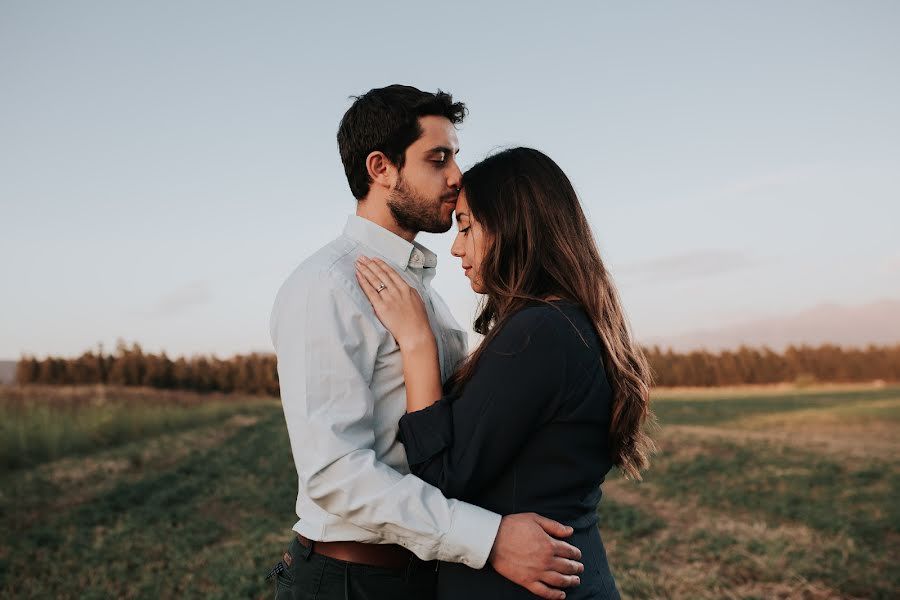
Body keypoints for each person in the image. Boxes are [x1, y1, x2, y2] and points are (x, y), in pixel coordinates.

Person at [268, 87, 584, 600]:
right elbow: (334, 472)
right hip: (353, 582)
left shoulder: (423, 293)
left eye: (455, 155)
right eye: (438, 159)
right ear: (381, 168)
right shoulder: (326, 286)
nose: (457, 176)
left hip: (424, 574)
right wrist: (489, 539)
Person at [354, 147, 655, 599]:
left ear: (515, 226)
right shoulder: (574, 323)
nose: (456, 247)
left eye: (467, 225)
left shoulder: (537, 334)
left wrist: (417, 343)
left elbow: (440, 479)